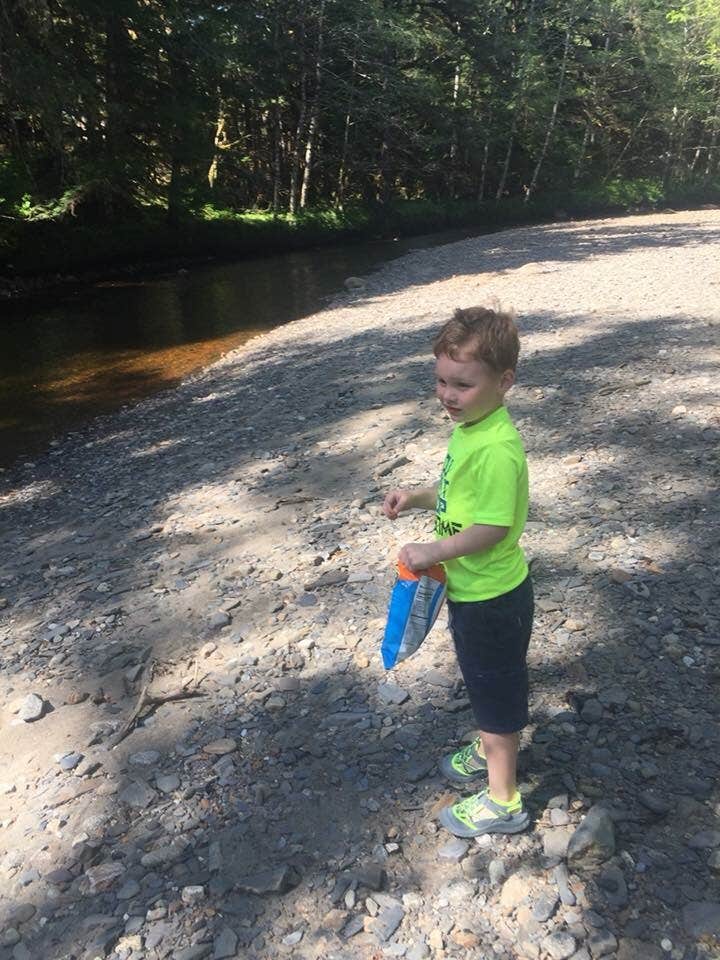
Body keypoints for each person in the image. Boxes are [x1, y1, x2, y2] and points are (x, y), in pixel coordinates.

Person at [382, 305, 533, 837]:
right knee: (487, 680)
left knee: (496, 692)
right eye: (442, 381)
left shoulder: (496, 448)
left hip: (493, 598)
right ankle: (495, 742)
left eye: (462, 384)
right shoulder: (473, 426)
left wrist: (432, 552)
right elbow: (456, 497)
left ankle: (504, 799)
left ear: (503, 381)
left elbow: (492, 527)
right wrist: (417, 496)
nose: (448, 395)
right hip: (478, 594)